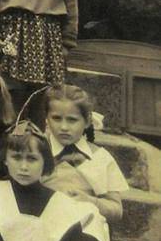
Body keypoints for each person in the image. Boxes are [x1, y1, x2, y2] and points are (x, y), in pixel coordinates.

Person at [43, 84, 128, 225]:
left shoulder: (99, 158)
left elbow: (116, 210)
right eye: (56, 118)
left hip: (86, 227)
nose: (64, 127)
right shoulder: (38, 151)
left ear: (87, 121)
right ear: (47, 119)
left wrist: (91, 201)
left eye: (72, 120)